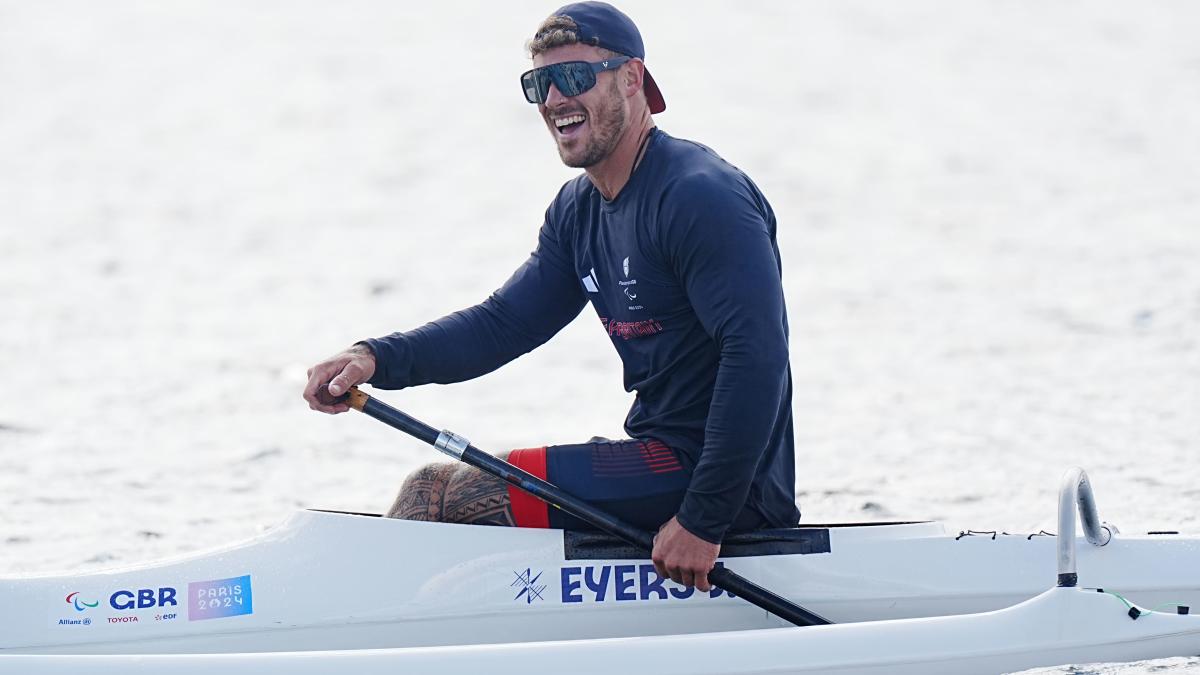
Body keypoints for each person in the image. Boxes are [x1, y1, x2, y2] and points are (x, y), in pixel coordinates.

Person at [303, 1, 799, 592]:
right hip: (657, 459)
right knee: (439, 496)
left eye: (574, 77)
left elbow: (758, 355)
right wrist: (377, 357)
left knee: (433, 495)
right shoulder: (577, 210)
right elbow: (502, 325)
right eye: (540, 83)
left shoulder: (700, 196)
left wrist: (703, 519)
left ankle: (362, 628)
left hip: (718, 482)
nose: (555, 99)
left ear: (633, 79)